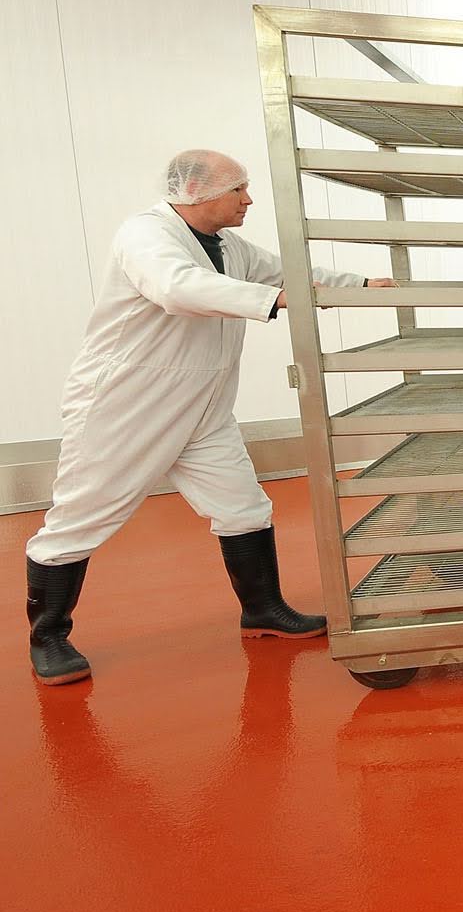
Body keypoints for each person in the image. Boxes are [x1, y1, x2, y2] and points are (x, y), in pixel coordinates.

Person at [24, 149, 395, 686]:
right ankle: (48, 637)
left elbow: (290, 271)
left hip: (203, 407)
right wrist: (276, 301)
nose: (248, 199)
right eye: (238, 189)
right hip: (127, 407)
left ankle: (263, 611)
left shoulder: (228, 246)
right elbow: (177, 288)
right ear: (196, 189)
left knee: (244, 507)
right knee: (78, 520)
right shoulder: (145, 235)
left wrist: (359, 286)